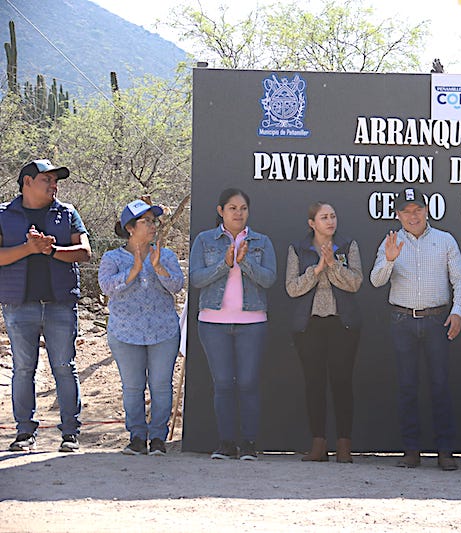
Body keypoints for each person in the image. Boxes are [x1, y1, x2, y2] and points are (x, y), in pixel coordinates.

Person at [370, 187, 461, 471]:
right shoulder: (391, 241)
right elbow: (376, 281)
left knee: (440, 386)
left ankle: (445, 451)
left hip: (438, 320)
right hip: (403, 321)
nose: (412, 216)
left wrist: (458, 312)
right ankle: (411, 449)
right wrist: (389, 259)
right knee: (407, 387)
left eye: (417, 210)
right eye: (406, 211)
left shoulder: (444, 240)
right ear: (398, 215)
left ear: (426, 211)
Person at [2, 159, 92, 453]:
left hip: (60, 304)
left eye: (56, 182)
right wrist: (28, 249)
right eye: (47, 180)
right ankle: (24, 434)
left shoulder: (67, 213)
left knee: (65, 367)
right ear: (27, 182)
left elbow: (85, 252)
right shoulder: (4, 214)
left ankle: (70, 433)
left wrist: (51, 250)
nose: (54, 186)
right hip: (19, 305)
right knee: (23, 369)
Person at [189, 188, 276, 461]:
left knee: (248, 383)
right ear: (220, 211)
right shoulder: (204, 240)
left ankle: (249, 443)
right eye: (232, 208)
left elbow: (269, 279)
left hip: (252, 323)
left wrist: (244, 262)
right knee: (223, 383)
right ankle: (226, 443)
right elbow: (196, 279)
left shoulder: (261, 241)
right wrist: (224, 265)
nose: (238, 213)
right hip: (213, 323)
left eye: (243, 208)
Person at [98, 199, 184, 456]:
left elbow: (177, 285)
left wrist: (157, 267)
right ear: (130, 228)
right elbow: (107, 287)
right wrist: (134, 270)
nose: (152, 225)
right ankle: (137, 437)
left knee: (161, 385)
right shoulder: (112, 257)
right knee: (133, 387)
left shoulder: (165, 254)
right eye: (146, 221)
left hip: (163, 332)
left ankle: (158, 437)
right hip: (125, 333)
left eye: (154, 220)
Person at [286, 201, 362, 463]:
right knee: (314, 384)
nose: (330, 221)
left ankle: (344, 445)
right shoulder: (298, 248)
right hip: (310, 325)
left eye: (333, 216)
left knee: (342, 383)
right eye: (324, 217)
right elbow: (292, 288)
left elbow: (355, 283)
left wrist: (333, 265)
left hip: (342, 324)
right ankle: (318, 444)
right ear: (312, 224)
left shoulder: (348, 245)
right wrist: (317, 269)